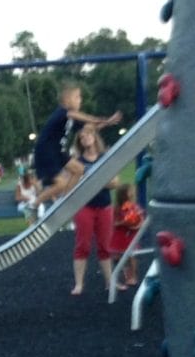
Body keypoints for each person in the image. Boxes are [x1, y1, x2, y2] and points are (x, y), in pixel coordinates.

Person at [34, 83, 122, 207]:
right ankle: (33, 204)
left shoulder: (72, 120)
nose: (80, 100)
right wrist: (101, 119)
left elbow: (90, 128)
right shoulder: (62, 112)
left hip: (58, 152)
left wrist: (107, 123)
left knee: (79, 170)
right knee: (61, 184)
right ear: (67, 99)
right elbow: (77, 116)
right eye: (77, 97)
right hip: (46, 152)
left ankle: (64, 201)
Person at [68, 124, 114, 295]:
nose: (85, 137)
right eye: (81, 136)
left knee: (105, 245)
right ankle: (79, 284)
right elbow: (70, 186)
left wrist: (94, 179)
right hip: (84, 206)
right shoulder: (77, 163)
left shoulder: (105, 158)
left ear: (95, 136)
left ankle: (110, 282)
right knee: (83, 245)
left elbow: (114, 182)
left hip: (104, 206)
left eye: (88, 134)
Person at [110, 182, 144, 288]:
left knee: (132, 256)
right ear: (124, 194)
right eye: (130, 191)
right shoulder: (117, 209)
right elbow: (114, 223)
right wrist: (124, 222)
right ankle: (124, 271)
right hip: (120, 237)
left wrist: (137, 224)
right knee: (118, 256)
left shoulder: (135, 206)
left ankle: (133, 276)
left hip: (131, 236)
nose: (133, 192)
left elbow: (141, 218)